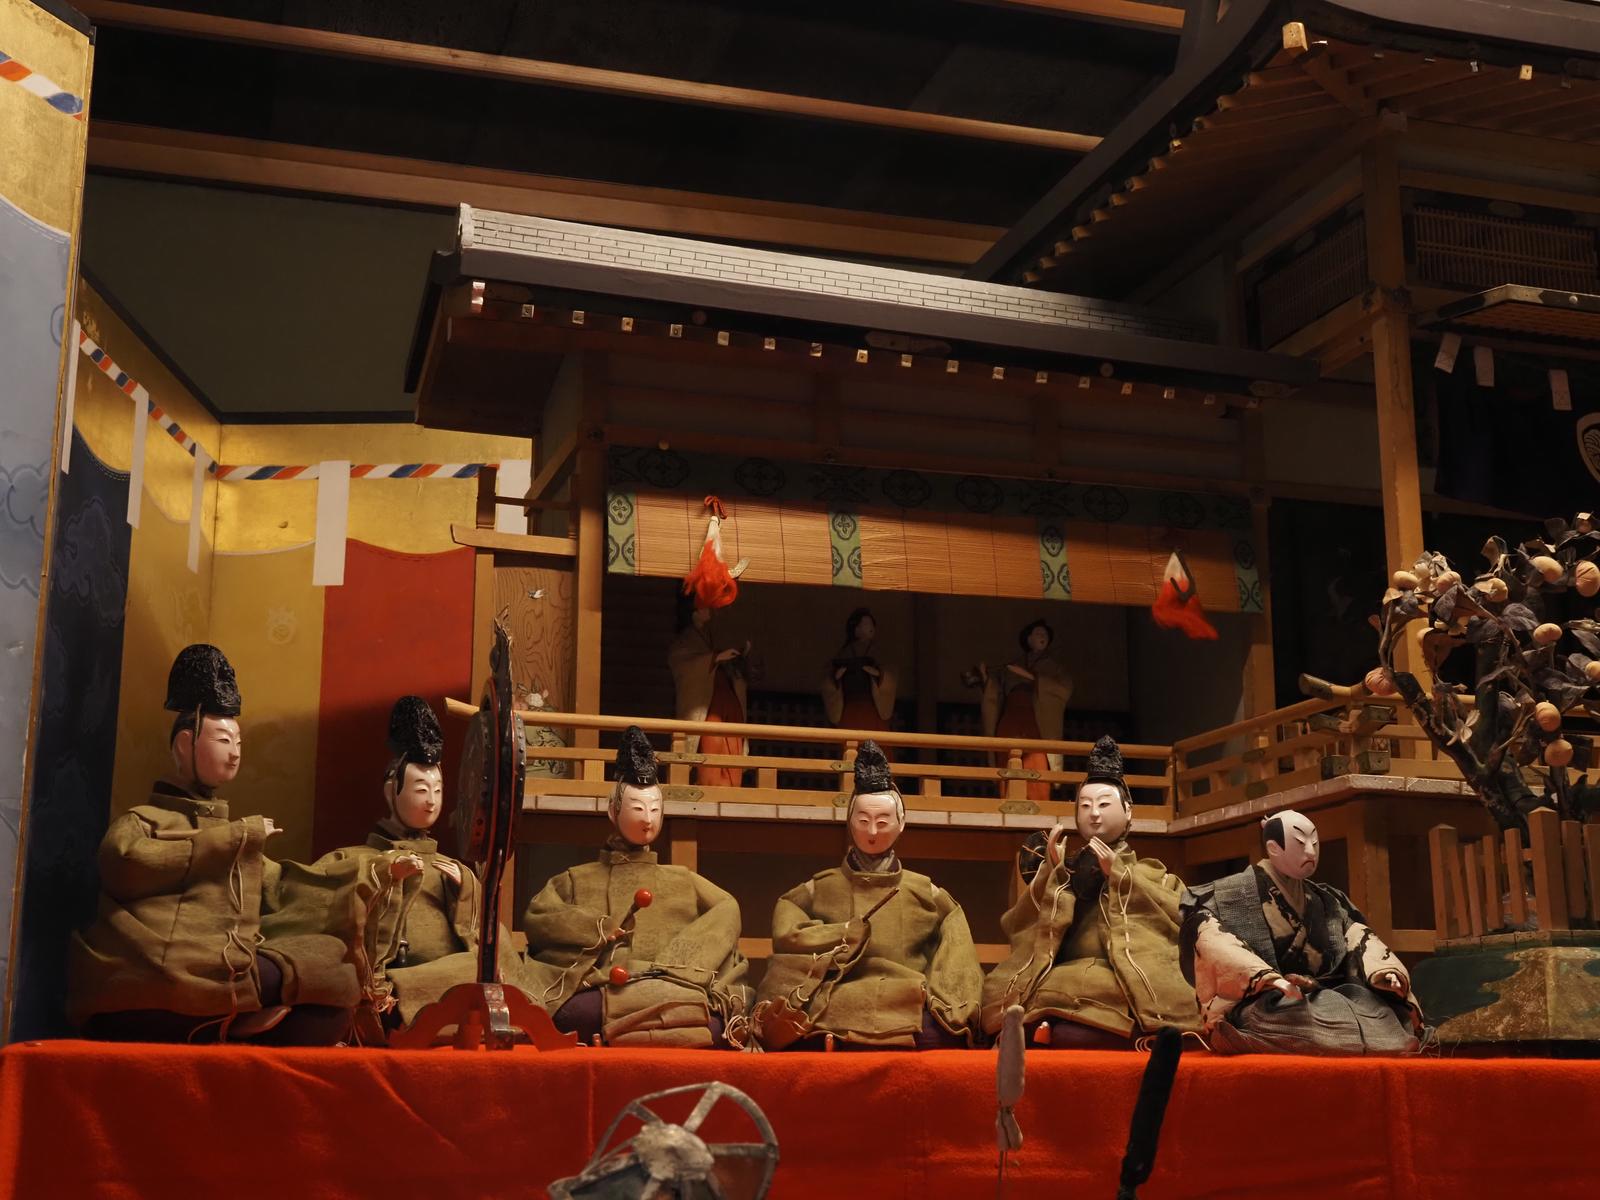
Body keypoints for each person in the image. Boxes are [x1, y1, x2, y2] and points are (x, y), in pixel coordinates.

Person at [68, 645, 358, 1044]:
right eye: (224, 740)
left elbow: (283, 888)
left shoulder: (238, 833)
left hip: (223, 964)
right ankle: (226, 1021)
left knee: (330, 962)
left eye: (239, 742)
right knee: (285, 983)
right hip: (155, 968)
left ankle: (225, 1022)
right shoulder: (143, 820)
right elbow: (125, 863)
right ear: (184, 745)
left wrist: (369, 876)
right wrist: (232, 838)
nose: (235, 754)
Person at [263, 696, 534, 1042]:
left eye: (438, 790)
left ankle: (406, 995)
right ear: (391, 792)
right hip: (375, 981)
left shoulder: (452, 868)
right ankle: (385, 999)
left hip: (440, 975)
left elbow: (488, 939)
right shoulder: (350, 858)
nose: (431, 800)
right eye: (421, 789)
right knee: (339, 973)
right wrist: (380, 875)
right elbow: (310, 910)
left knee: (485, 970)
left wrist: (465, 889)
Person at [521, 726, 751, 1047]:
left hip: (674, 982)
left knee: (707, 1016)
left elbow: (728, 909)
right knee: (574, 1012)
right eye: (638, 809)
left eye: (655, 810)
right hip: (604, 986)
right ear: (613, 810)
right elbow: (540, 917)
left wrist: (677, 963)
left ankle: (628, 1028)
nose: (647, 820)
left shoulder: (683, 879)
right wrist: (597, 928)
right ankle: (661, 1028)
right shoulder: (576, 878)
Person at [755, 741, 983, 1049]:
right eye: (863, 821)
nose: (872, 832)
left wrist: (946, 1000)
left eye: (883, 821)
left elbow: (957, 949)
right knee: (810, 1017)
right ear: (849, 822)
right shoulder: (820, 887)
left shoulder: (925, 892)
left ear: (902, 823)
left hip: (907, 991)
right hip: (839, 990)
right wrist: (842, 934)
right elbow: (787, 932)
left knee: (937, 1027)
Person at [981, 735, 1199, 1048]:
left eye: (1104, 804)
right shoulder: (1066, 869)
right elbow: (1021, 924)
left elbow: (1178, 916)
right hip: (1063, 970)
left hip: (1123, 971)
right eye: (1085, 806)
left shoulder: (1155, 875)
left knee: (1097, 1008)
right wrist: (1052, 874)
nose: (1094, 813)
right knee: (1023, 993)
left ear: (1128, 811)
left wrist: (1120, 876)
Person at [1178, 808, 1423, 1055]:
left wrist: (1383, 969)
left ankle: (1352, 1038)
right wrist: (1266, 978)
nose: (1310, 852)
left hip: (1324, 997)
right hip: (1264, 1000)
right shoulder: (1227, 896)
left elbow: (1357, 935)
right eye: (1300, 843)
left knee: (1378, 1011)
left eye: (1315, 844)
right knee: (1288, 1018)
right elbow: (1213, 942)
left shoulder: (1325, 899)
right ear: (1273, 848)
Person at [979, 618, 1073, 804]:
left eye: (1045, 634)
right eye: (1038, 633)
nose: (1042, 637)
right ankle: (1007, 802)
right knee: (1008, 757)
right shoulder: (1013, 664)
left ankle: (1040, 805)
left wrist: (1032, 678)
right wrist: (985, 678)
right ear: (1028, 639)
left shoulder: (1054, 667)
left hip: (1037, 719)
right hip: (1011, 715)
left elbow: (1063, 687)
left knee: (1037, 761)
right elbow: (996, 692)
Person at [668, 591, 753, 788]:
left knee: (732, 747)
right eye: (705, 606)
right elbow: (680, 662)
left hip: (726, 699)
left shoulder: (710, 634)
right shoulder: (686, 639)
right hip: (708, 705)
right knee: (712, 748)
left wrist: (733, 660)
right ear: (694, 612)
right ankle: (712, 788)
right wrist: (715, 658)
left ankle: (732, 788)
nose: (710, 611)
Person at [821, 608, 896, 738]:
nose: (870, 627)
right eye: (865, 624)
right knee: (851, 738)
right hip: (850, 704)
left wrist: (878, 674)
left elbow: (890, 672)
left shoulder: (878, 650)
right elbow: (829, 674)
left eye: (872, 624)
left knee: (876, 740)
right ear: (856, 629)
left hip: (872, 706)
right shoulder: (845, 651)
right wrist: (837, 676)